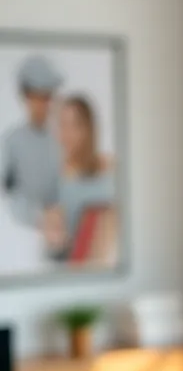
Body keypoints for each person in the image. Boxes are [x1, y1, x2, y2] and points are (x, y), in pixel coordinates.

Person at [41, 95, 116, 263]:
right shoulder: (54, 179)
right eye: (62, 125)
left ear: (88, 128)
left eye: (75, 125)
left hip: (108, 261)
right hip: (74, 265)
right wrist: (54, 238)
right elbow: (53, 248)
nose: (67, 134)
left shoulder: (111, 168)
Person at [1, 54, 62, 227]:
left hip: (59, 230)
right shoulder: (11, 142)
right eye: (38, 96)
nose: (44, 104)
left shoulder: (62, 140)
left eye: (47, 96)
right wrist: (39, 216)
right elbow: (7, 196)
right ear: (26, 96)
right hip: (20, 230)